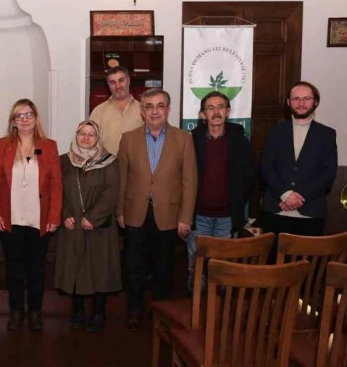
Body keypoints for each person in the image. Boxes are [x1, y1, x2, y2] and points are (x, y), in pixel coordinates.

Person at [117, 88, 198, 331]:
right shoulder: (128, 138)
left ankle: (162, 314)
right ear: (142, 111)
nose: (154, 111)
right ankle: (134, 310)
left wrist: (185, 217)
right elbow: (121, 178)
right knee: (134, 267)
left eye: (160, 106)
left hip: (169, 215)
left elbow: (190, 181)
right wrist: (120, 211)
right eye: (149, 106)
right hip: (135, 213)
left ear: (168, 110)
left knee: (164, 268)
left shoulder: (183, 139)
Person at [0, 99, 62, 331]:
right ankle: (16, 311)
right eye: (19, 115)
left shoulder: (49, 146)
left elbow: (56, 185)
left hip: (39, 218)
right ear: (13, 121)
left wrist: (54, 216)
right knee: (14, 268)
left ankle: (35, 311)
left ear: (36, 117)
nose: (24, 119)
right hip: (11, 217)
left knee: (37, 269)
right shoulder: (4, 145)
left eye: (28, 114)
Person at [55, 120, 120, 332]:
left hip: (100, 226)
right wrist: (65, 214)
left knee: (99, 269)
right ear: (76, 136)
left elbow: (111, 193)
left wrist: (93, 218)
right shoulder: (64, 161)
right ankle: (78, 311)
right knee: (75, 266)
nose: (86, 138)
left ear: (98, 138)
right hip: (72, 224)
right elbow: (57, 191)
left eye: (91, 134)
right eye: (82, 133)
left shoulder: (109, 161)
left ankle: (99, 312)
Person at [188, 91, 254, 294]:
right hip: (198, 217)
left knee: (224, 270)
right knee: (197, 270)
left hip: (227, 218)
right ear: (202, 114)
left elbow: (249, 177)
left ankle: (221, 310)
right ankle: (196, 309)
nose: (216, 112)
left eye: (220, 107)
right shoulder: (191, 141)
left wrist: (239, 203)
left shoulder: (240, 141)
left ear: (228, 111)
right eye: (210, 108)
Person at [261, 81, 338, 254]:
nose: (301, 103)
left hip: (310, 213)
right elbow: (267, 168)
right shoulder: (275, 131)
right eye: (296, 99)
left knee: (306, 265)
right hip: (276, 211)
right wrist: (285, 194)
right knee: (273, 265)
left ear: (315, 102)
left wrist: (298, 198)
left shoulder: (327, 134)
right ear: (288, 102)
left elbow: (328, 173)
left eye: (306, 98)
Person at [88, 66, 143, 155]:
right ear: (108, 85)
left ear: (128, 81)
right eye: (113, 82)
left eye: (121, 80)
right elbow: (90, 141)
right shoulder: (98, 111)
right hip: (106, 163)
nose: (118, 86)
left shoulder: (143, 110)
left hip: (135, 163)